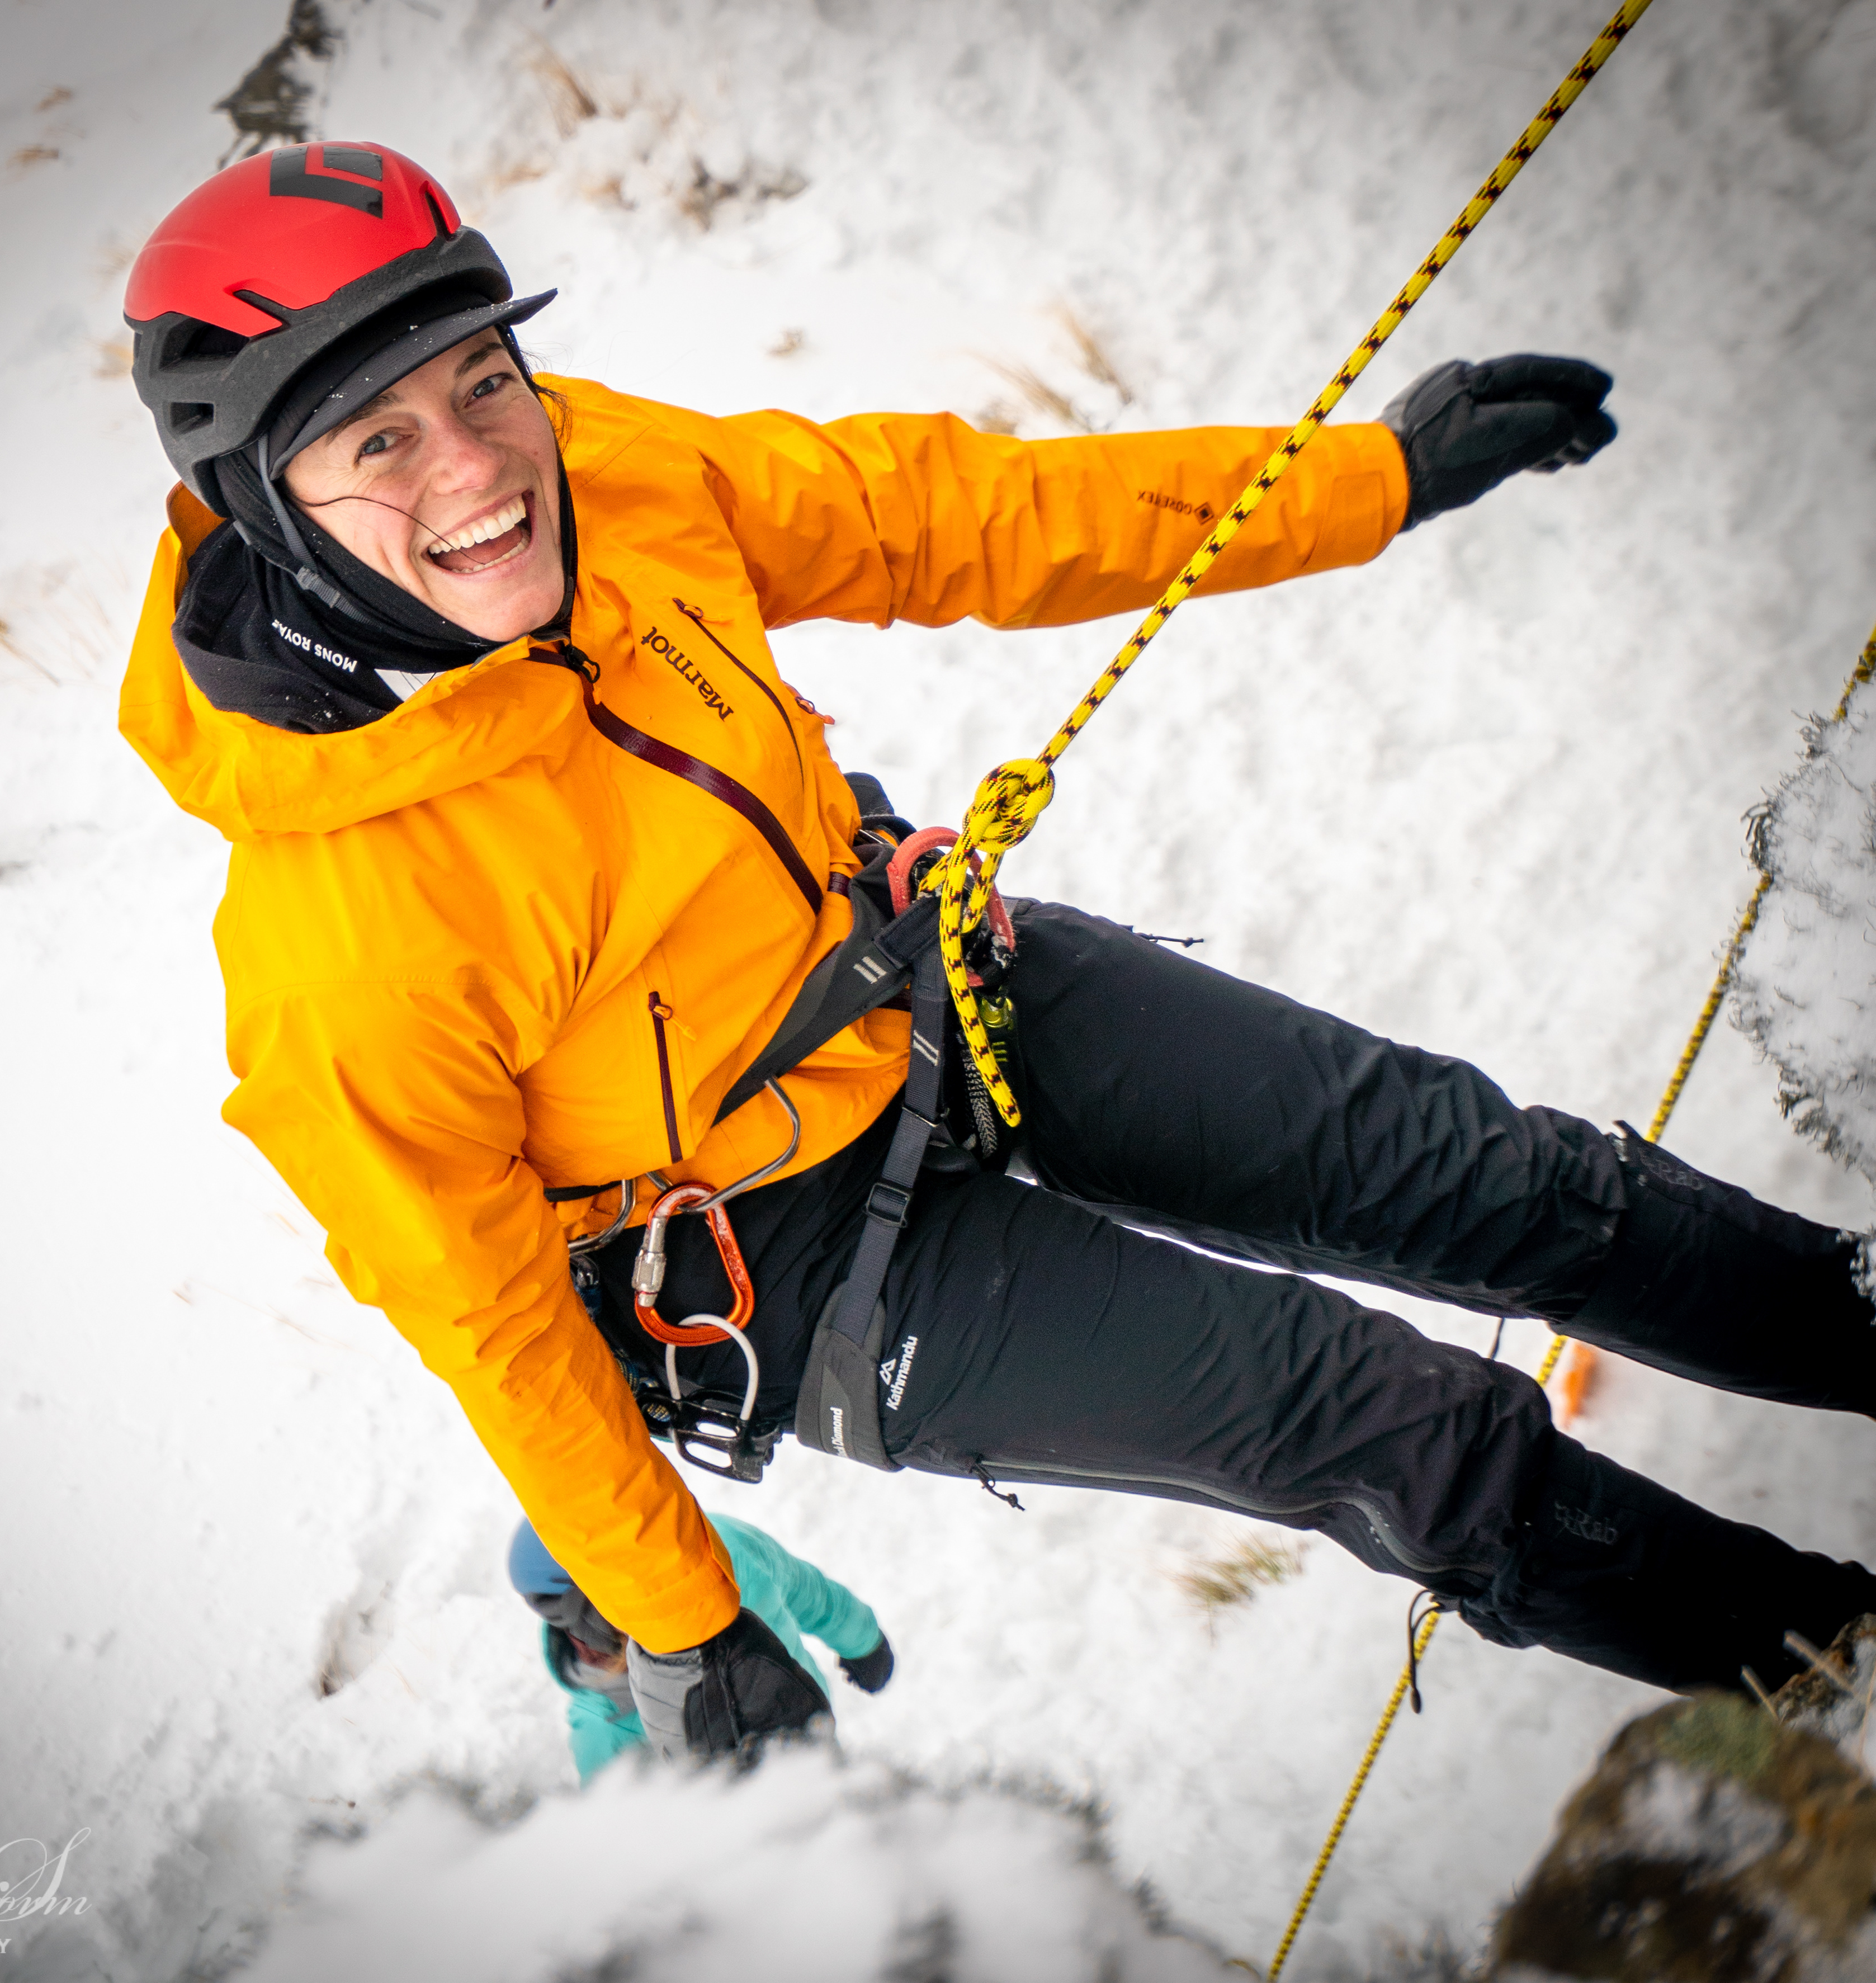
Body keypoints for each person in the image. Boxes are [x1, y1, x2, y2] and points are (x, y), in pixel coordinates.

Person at [118, 142, 1876, 1760]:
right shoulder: (341, 936)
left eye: (482, 379)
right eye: (379, 442)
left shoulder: (606, 476)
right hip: (771, 1257)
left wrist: (1363, 481)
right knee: (1395, 1429)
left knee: (1492, 1178)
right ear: (261, 496)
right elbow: (488, 1316)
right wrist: (680, 1620)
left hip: (913, 974)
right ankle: (1842, 1673)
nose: (477, 465)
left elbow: (943, 513)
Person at [507, 1515, 891, 1779]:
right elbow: (618, 1834)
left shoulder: (725, 1551)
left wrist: (862, 1638)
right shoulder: (605, 1723)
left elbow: (803, 1587)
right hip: (748, 1821)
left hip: (811, 1729)